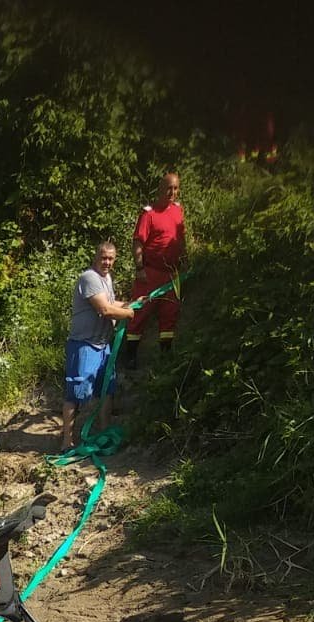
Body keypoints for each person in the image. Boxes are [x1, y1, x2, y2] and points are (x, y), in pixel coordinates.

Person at [61, 238, 135, 452]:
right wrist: (128, 313)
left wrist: (133, 302)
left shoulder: (107, 278)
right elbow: (105, 310)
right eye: (104, 258)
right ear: (96, 257)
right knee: (76, 393)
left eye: (111, 259)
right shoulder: (90, 278)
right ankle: (67, 441)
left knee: (106, 389)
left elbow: (112, 304)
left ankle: (105, 432)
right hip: (84, 345)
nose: (107, 262)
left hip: (103, 345)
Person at [124, 171, 186, 367]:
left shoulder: (178, 210)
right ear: (160, 189)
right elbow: (137, 243)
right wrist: (140, 267)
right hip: (150, 272)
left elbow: (180, 238)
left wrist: (185, 259)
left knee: (170, 312)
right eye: (169, 188)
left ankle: (165, 356)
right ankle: (130, 356)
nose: (172, 192)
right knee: (140, 311)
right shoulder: (149, 214)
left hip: (172, 273)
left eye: (175, 188)